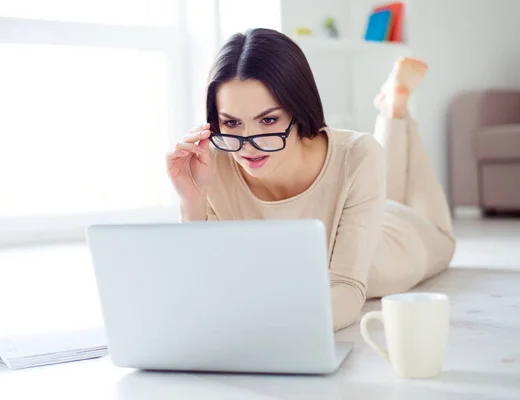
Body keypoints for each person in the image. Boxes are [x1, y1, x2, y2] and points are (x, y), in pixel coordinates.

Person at [166, 28, 456, 331]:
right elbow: (204, 283)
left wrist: (274, 330)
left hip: (393, 244)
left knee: (431, 225)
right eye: (232, 123)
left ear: (299, 109)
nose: (248, 142)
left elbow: (346, 288)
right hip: (364, 207)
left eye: (268, 120)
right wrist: (192, 199)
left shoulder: (356, 154)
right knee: (380, 184)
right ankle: (392, 105)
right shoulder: (214, 163)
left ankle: (396, 110)